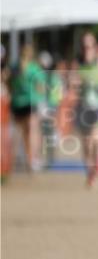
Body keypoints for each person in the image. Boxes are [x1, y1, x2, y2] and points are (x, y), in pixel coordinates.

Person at [76, 35, 98, 188]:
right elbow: (72, 83)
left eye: (89, 46)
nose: (86, 49)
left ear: (95, 47)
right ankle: (90, 173)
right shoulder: (78, 64)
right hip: (82, 108)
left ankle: (96, 167)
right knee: (86, 144)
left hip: (97, 107)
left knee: (95, 140)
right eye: (84, 46)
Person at [9, 44, 46, 172]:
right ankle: (33, 159)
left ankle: (20, 160)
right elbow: (40, 87)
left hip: (17, 103)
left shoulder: (14, 67)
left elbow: (9, 84)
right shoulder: (34, 68)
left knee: (21, 133)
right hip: (31, 102)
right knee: (33, 132)